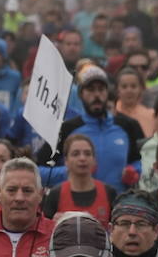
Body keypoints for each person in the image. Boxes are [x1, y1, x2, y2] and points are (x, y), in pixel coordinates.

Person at [55, 66, 142, 194]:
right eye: (90, 90)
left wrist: (134, 171)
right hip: (77, 204)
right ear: (80, 94)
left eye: (101, 90)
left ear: (108, 93)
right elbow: (42, 169)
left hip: (118, 205)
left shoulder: (126, 125)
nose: (96, 95)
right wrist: (70, 171)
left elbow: (139, 161)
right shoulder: (67, 128)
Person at [42, 134, 117, 225]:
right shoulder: (55, 195)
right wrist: (52, 224)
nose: (82, 158)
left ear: (94, 159)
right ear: (66, 160)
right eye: (75, 154)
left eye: (87, 153)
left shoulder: (109, 193)